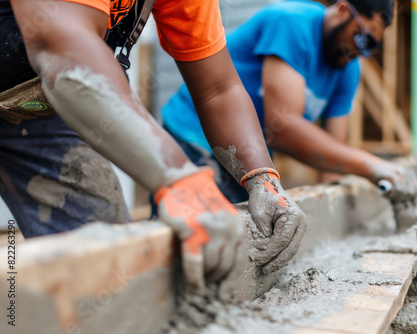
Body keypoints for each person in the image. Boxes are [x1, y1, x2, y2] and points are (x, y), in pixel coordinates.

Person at [0, 0, 307, 299]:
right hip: (60, 70)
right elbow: (62, 49)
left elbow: (218, 89)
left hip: (33, 111)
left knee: (106, 267)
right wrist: (177, 179)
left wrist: (264, 179)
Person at [162, 0, 417, 222]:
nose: (359, 51)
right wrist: (373, 166)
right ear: (342, 10)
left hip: (242, 162)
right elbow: (283, 128)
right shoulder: (291, 24)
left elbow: (331, 154)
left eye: (370, 46)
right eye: (360, 37)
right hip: (192, 140)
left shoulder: (347, 68)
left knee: (247, 233)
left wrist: (328, 212)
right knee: (197, 234)